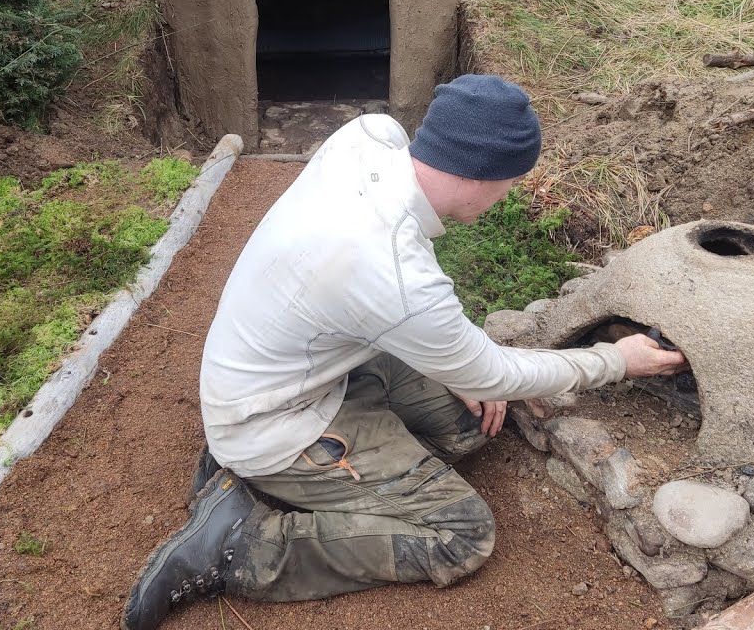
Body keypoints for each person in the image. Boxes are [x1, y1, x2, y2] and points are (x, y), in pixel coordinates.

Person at [122, 75, 687, 629]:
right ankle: (241, 545)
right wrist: (617, 361)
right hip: (270, 422)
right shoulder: (390, 272)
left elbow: (414, 304)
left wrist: (457, 363)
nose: (507, 197)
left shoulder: (372, 136)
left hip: (301, 364)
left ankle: (296, 472)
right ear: (479, 176)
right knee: (461, 535)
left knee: (466, 428)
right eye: (511, 184)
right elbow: (484, 362)